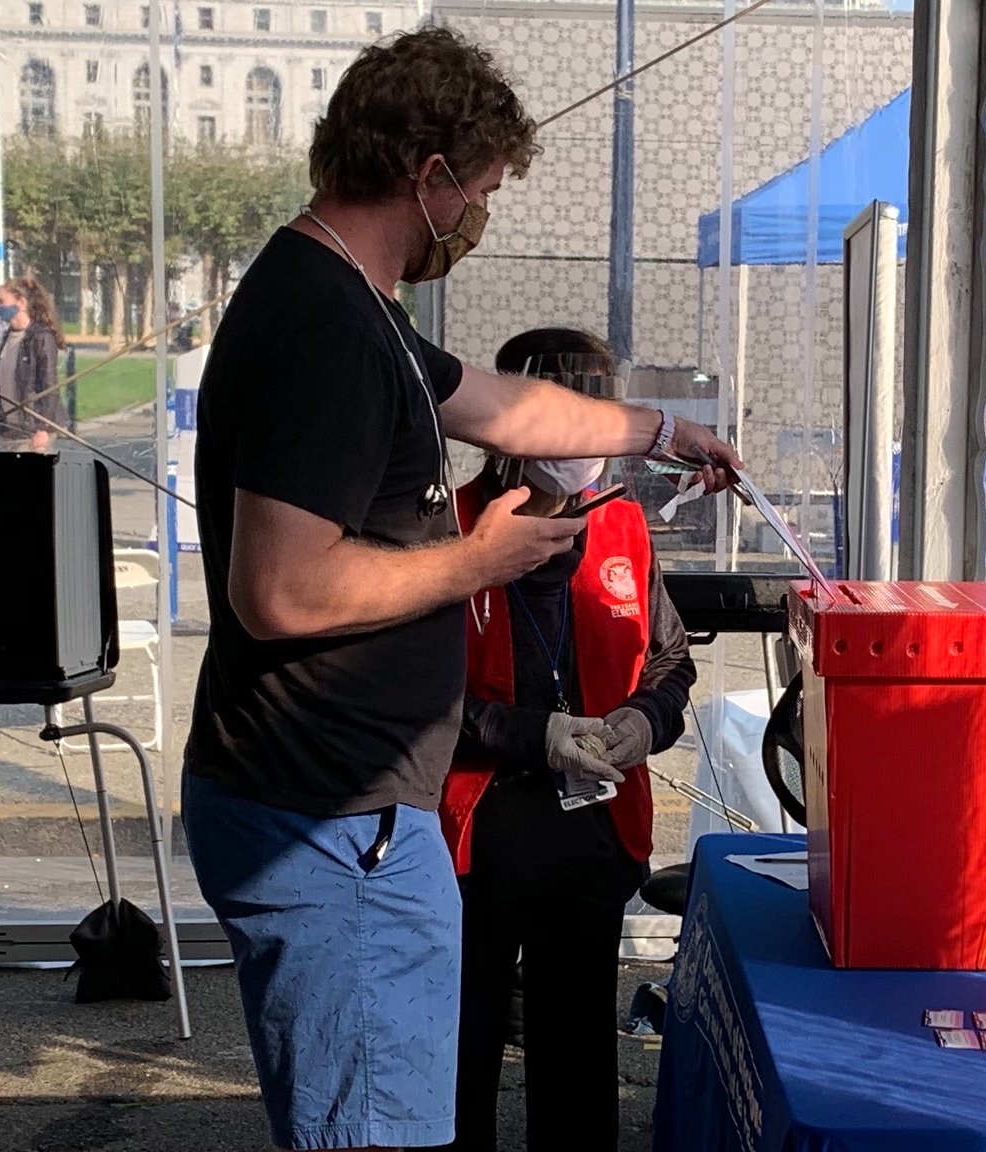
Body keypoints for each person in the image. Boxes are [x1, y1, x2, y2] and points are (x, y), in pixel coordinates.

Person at [180, 26, 738, 1152]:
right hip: (331, 822)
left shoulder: (350, 304)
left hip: (347, 813)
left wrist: (655, 430)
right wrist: (477, 561)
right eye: (478, 190)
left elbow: (497, 403)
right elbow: (277, 590)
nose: (478, 217)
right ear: (426, 176)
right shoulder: (326, 328)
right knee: (373, 1127)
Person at [441, 327, 695, 1152]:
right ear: (507, 426)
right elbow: (419, 698)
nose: (576, 441)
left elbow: (668, 659)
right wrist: (533, 735)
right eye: (557, 415)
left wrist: (640, 721)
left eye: (593, 412)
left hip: (593, 835)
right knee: (456, 1054)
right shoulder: (452, 530)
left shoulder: (620, 525)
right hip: (475, 840)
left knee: (579, 1061)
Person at [0, 277, 66, 452]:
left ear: (21, 302)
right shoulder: (8, 337)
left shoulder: (41, 337)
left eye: (2, 302)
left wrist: (43, 428)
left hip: (33, 431)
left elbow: (49, 385)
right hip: (10, 428)